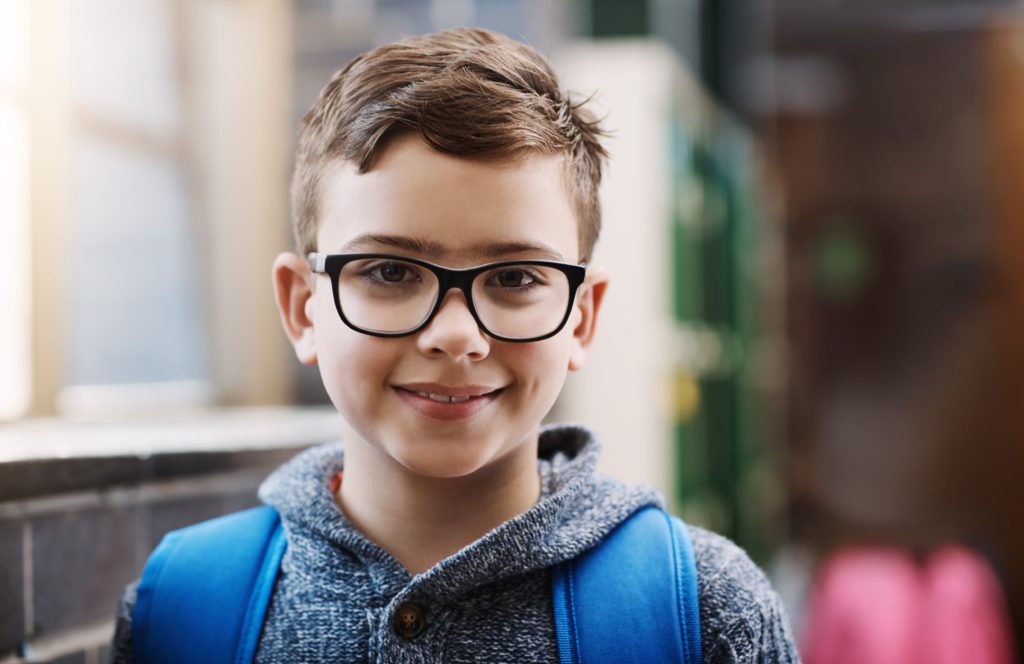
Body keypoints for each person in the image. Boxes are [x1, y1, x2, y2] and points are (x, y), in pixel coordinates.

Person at [109, 27, 799, 663]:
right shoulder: (178, 616)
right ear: (303, 308)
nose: (455, 335)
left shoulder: (708, 613)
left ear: (581, 318)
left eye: (514, 277)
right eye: (390, 271)